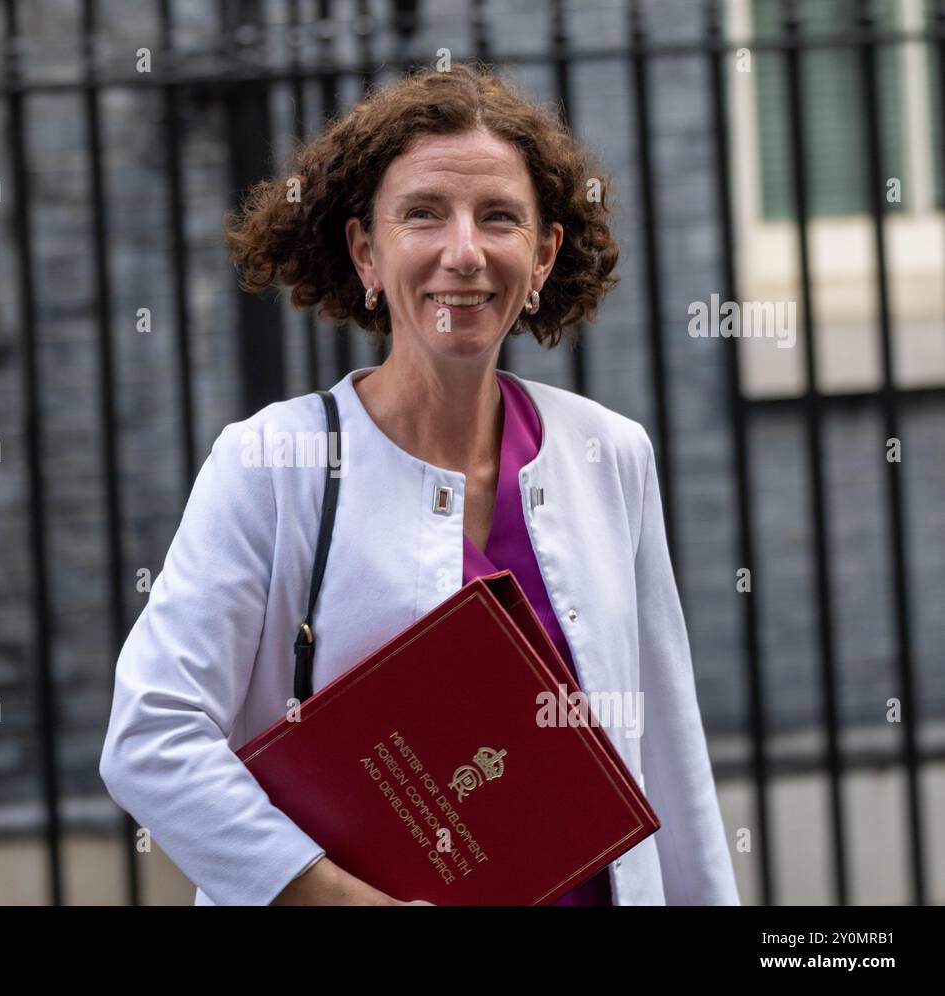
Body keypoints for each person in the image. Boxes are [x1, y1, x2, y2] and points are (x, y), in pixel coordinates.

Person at [99, 62, 740, 906]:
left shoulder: (609, 454)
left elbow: (667, 758)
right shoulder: (270, 464)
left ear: (543, 256)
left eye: (500, 218)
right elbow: (150, 736)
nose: (464, 252)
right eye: (423, 215)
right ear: (366, 250)